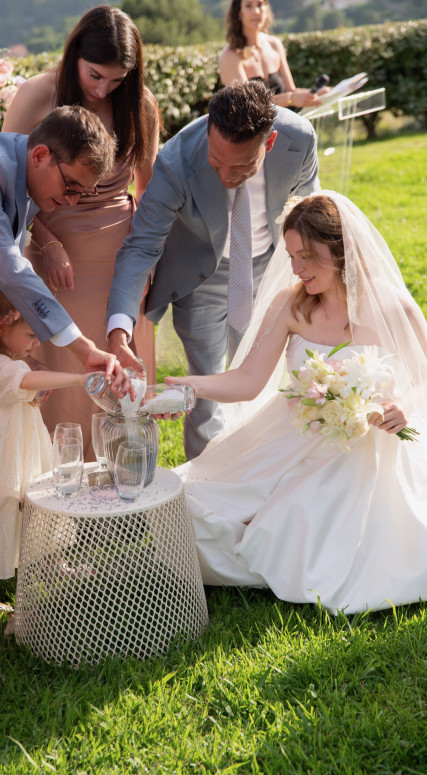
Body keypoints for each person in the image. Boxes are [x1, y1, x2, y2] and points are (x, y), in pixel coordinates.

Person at [165, 192, 427, 615]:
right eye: (291, 256)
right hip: (294, 431)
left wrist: (405, 408)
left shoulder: (390, 304)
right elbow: (248, 381)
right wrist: (190, 387)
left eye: (308, 256)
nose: (298, 268)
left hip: (368, 447)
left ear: (340, 250)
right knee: (195, 505)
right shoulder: (291, 304)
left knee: (296, 514)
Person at [0, 105, 129, 570]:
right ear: (41, 155)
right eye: (72, 187)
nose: (73, 202)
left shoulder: (27, 173)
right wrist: (82, 348)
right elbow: (9, 265)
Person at [107, 79, 319, 459]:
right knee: (203, 393)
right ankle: (205, 493)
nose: (225, 176)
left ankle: (261, 472)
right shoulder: (175, 163)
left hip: (270, 271)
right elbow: (140, 248)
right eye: (216, 163)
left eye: (240, 168)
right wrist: (119, 331)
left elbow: (309, 215)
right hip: (200, 279)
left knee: (266, 381)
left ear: (267, 144)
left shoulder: (298, 140)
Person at [2, 5, 159, 461]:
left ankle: (123, 480)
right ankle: (63, 480)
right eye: (95, 75)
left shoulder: (139, 104)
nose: (103, 88)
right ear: (75, 57)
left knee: (120, 365)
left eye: (116, 79)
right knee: (67, 367)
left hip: (122, 259)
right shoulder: (37, 95)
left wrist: (146, 261)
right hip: (54, 251)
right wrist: (45, 242)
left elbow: (147, 190)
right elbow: (10, 185)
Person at [0, 285, 90, 614]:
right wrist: (79, 378)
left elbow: (22, 389)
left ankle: (49, 560)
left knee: (40, 501)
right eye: (31, 335)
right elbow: (23, 382)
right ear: (2, 328)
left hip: (23, 448)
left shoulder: (9, 359)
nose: (36, 343)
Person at [219, 0, 329, 111]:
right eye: (248, 6)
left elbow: (291, 90)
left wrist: (317, 93)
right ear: (238, 13)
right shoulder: (230, 55)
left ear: (266, 10)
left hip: (288, 123)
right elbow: (247, 104)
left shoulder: (275, 44)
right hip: (256, 130)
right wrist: (290, 98)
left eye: (260, 5)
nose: (256, 11)